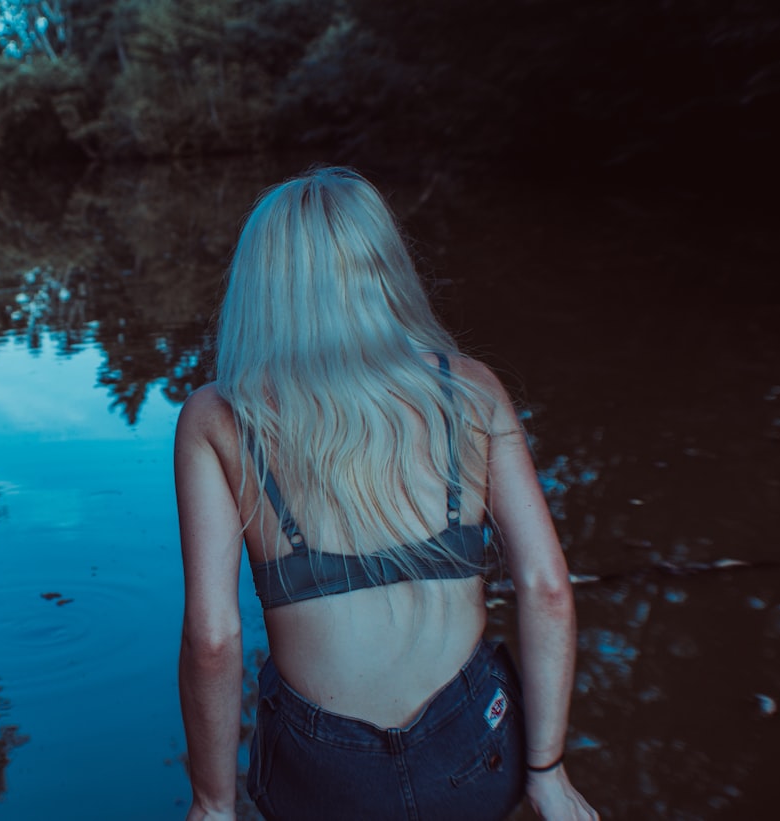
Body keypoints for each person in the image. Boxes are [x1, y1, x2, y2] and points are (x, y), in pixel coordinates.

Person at [175, 166, 597, 821]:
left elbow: (213, 638)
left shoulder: (220, 418)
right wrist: (546, 770)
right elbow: (546, 587)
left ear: (263, 286)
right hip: (471, 749)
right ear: (383, 266)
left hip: (327, 776)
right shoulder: (474, 390)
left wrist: (213, 802)